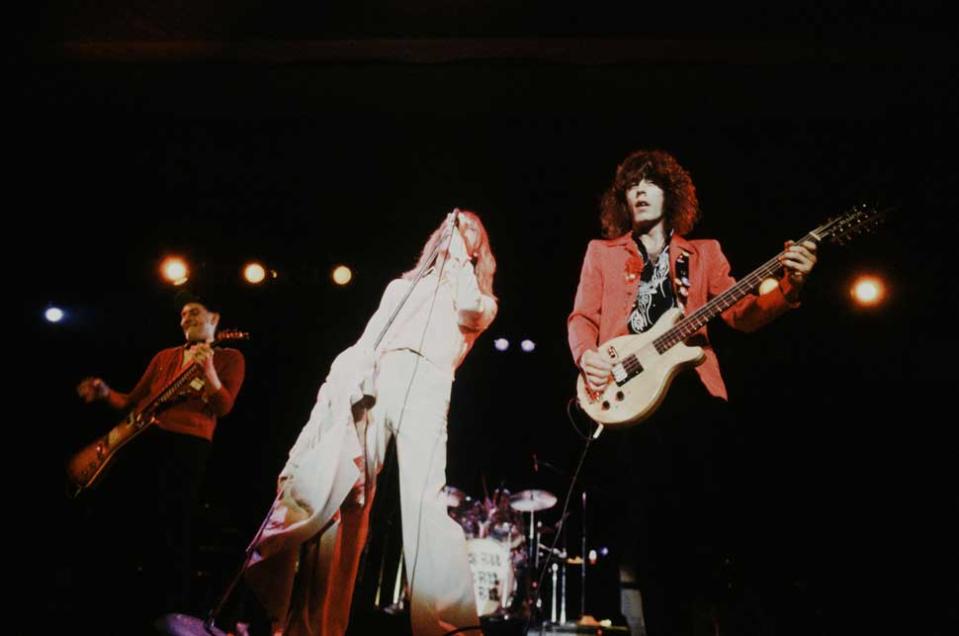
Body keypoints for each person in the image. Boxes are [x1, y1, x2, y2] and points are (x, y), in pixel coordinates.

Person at [567, 150, 817, 635]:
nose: (638, 191)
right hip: (633, 403)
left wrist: (790, 283)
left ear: (671, 194)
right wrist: (587, 356)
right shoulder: (602, 252)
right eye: (630, 185)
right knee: (650, 539)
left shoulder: (704, 253)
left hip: (694, 404)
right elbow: (582, 318)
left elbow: (742, 314)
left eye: (650, 183)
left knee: (707, 533)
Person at [247, 210, 498, 636]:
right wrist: (338, 387)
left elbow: (471, 311)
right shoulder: (402, 286)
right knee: (349, 497)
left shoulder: (477, 298)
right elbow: (368, 341)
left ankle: (443, 627)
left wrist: (458, 263)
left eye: (471, 231)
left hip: (429, 386)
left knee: (424, 505)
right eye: (455, 227)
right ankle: (315, 626)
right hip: (379, 379)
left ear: (479, 249)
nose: (461, 233)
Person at [76, 297, 246, 630]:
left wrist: (208, 370)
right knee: (139, 516)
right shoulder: (164, 357)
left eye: (195, 313)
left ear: (215, 318)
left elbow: (224, 407)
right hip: (149, 441)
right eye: (183, 315)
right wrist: (104, 391)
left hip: (189, 444)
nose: (186, 319)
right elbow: (130, 401)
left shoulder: (229, 357)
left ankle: (171, 606)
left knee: (175, 521)